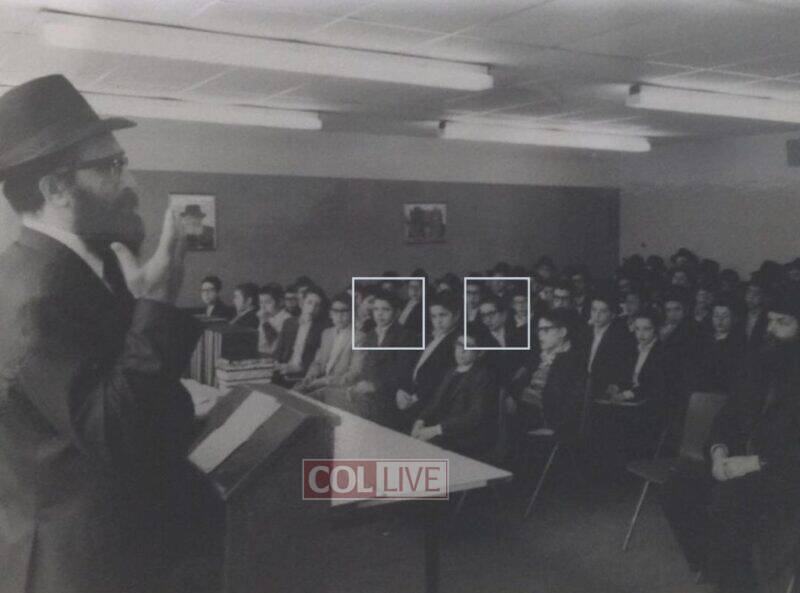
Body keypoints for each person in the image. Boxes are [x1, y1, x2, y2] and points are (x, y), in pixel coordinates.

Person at [0, 74, 217, 593]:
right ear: (56, 188)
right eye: (112, 166)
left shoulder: (78, 267)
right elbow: (114, 433)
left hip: (107, 545)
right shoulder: (37, 295)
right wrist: (157, 304)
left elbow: (120, 393)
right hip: (81, 567)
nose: (132, 183)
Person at [411, 334, 497, 459]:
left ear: (480, 352)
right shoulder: (451, 371)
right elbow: (434, 403)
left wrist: (435, 430)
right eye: (459, 345)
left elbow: (475, 416)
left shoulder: (483, 376)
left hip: (466, 436)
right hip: (445, 430)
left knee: (425, 449)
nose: (461, 351)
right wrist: (421, 420)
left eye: (468, 347)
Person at [395, 292, 461, 428]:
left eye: (443, 315)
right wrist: (401, 390)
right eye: (434, 316)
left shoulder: (456, 343)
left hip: (431, 402)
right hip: (409, 395)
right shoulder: (427, 337)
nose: (438, 321)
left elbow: (442, 380)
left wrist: (414, 398)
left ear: (456, 315)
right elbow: (409, 367)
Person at [296, 292, 361, 394]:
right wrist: (310, 376)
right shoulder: (327, 333)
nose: (339, 316)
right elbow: (318, 362)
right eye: (335, 311)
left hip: (339, 388)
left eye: (344, 311)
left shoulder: (359, 337)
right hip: (319, 383)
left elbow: (354, 373)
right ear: (330, 313)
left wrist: (325, 381)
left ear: (352, 313)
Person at [274, 286, 328, 377]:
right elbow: (279, 350)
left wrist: (296, 368)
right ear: (301, 303)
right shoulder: (289, 323)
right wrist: (276, 363)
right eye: (309, 303)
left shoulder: (323, 329)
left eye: (317, 305)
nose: (312, 308)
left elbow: (319, 361)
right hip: (282, 369)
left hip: (303, 373)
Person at [256, 283, 291, 356]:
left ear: (280, 302)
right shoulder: (267, 316)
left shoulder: (287, 319)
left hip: (272, 357)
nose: (263, 307)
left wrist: (265, 322)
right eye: (261, 302)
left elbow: (275, 346)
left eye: (268, 302)